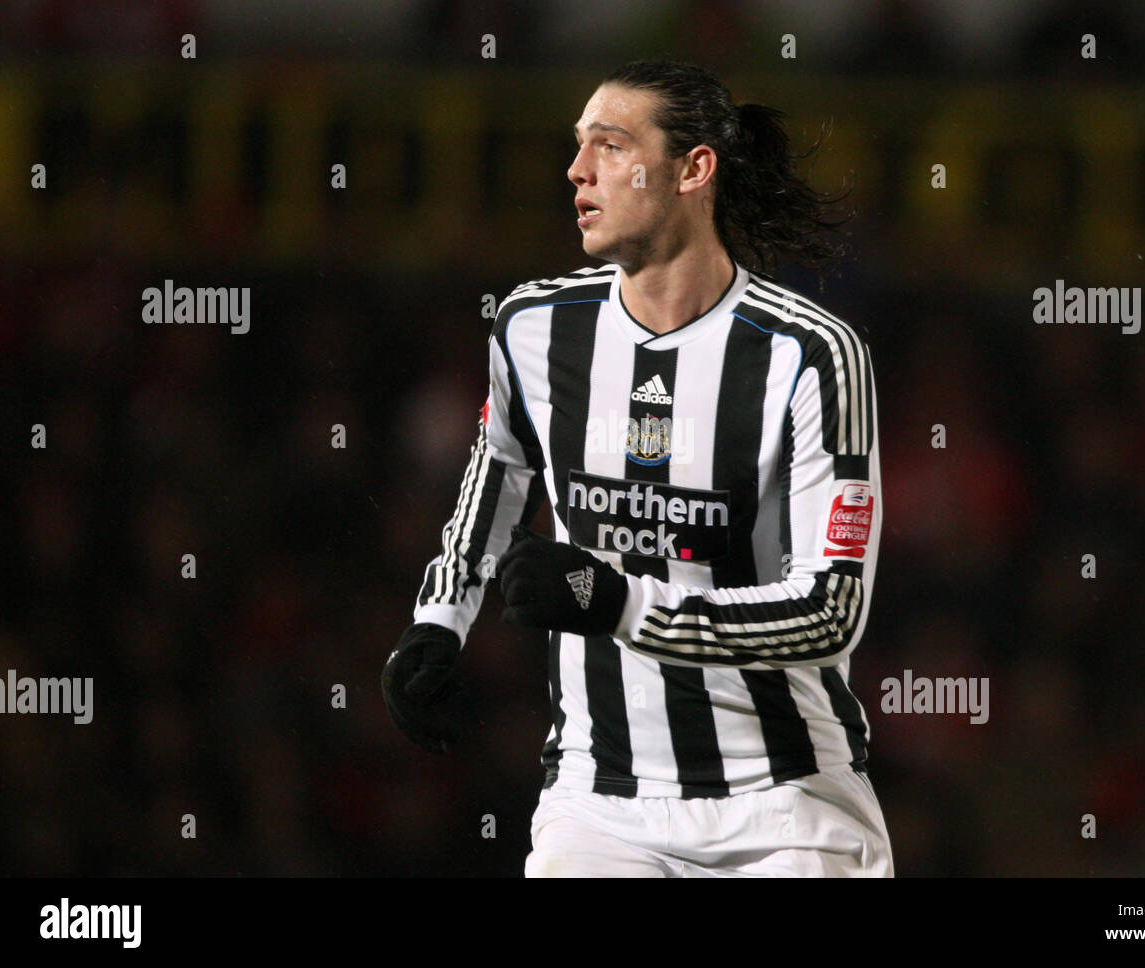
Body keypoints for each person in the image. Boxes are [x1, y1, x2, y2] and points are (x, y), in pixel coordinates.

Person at [382, 60, 892, 877]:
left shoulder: (810, 355)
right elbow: (500, 477)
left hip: (786, 805)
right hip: (599, 801)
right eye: (578, 147)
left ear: (695, 169)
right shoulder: (532, 328)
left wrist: (620, 603)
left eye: (611, 146)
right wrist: (439, 622)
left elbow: (831, 613)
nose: (578, 170)